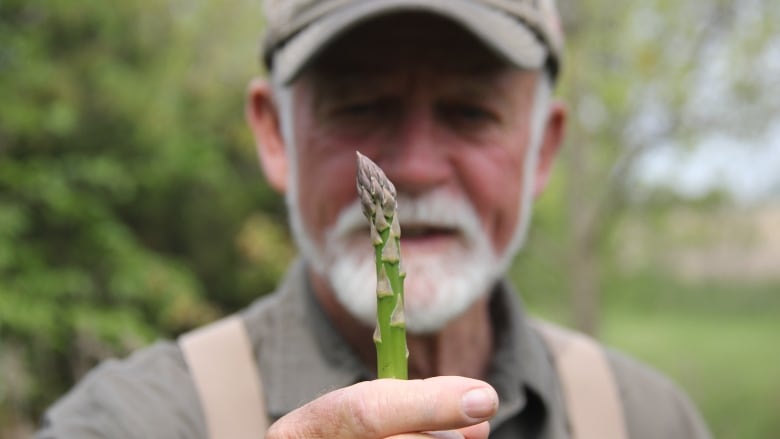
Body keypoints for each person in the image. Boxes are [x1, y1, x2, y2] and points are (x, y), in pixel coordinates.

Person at [37, 1, 713, 438]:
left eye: (471, 112)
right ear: (273, 135)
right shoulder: (125, 422)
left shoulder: (651, 418)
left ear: (544, 148)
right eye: (359, 105)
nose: (414, 167)